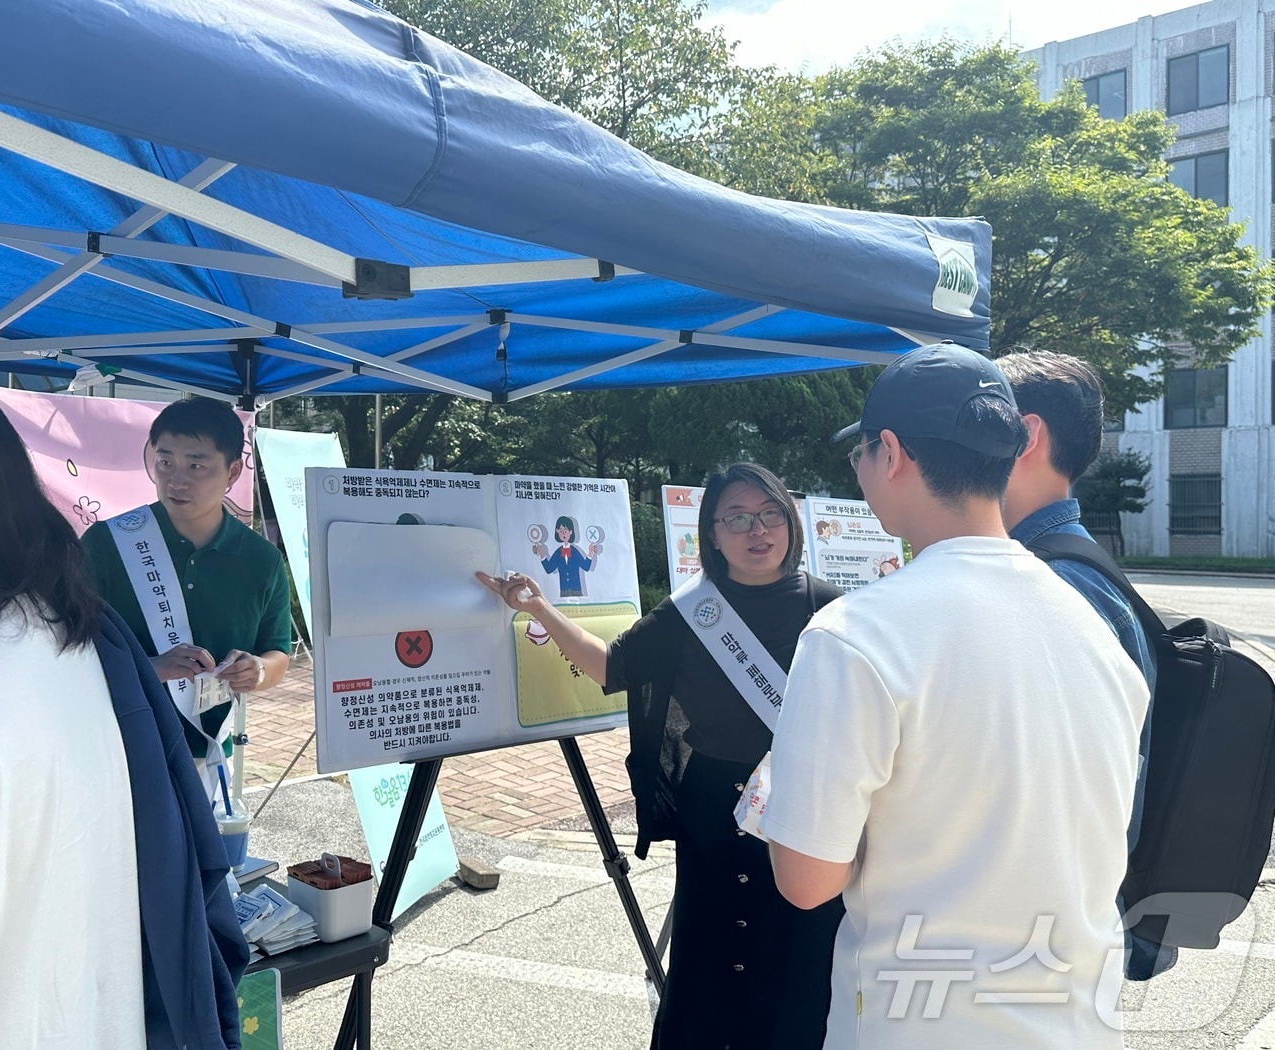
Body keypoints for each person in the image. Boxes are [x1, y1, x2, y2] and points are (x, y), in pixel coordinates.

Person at [762, 344, 1149, 1049]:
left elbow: (807, 880)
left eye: (860, 455)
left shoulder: (854, 635)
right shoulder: (1095, 630)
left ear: (891, 452)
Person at [479, 463, 845, 1050]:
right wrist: (539, 609)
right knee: (709, 951)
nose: (758, 529)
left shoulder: (832, 609)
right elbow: (610, 666)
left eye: (770, 512)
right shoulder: (691, 612)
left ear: (790, 520)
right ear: (713, 534)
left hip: (801, 804)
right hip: (714, 807)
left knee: (798, 951)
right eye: (738, 517)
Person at [995, 348, 1172, 980]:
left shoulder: (1056, 582)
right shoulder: (1064, 563)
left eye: (979, 419)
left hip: (1047, 928)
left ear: (1025, 436)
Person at [81, 397, 291, 795]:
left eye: (196, 466)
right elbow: (65, 646)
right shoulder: (106, 543)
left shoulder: (260, 560)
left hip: (206, 753)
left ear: (232, 472)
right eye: (165, 462)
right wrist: (151, 667)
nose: (176, 480)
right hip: (114, 744)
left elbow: (277, 653)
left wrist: (256, 671)